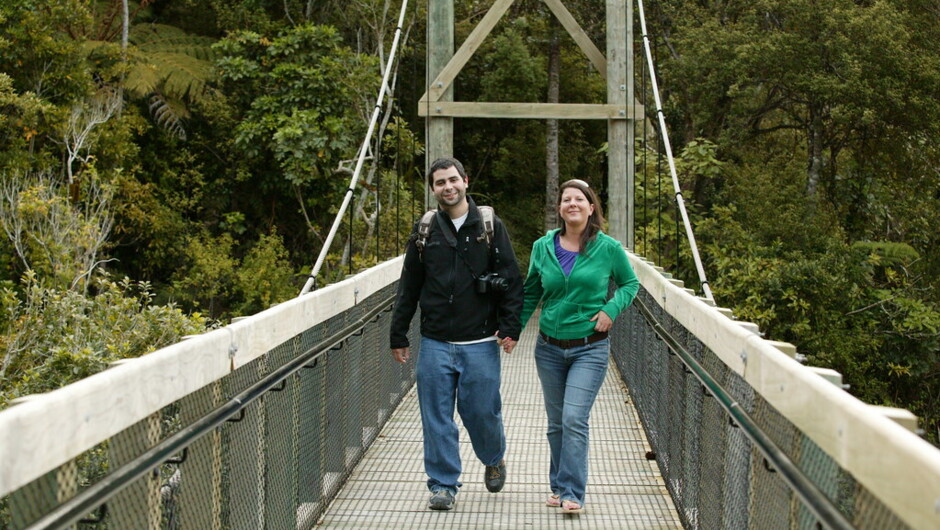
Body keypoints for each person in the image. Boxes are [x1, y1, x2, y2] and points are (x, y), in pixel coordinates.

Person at [390, 157, 523, 511]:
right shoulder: (425, 230)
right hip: (434, 341)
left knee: (482, 413)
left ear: (465, 181)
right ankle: (443, 484)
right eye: (439, 183)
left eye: (453, 180)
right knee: (436, 416)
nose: (447, 187)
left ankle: (494, 457)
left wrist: (511, 327)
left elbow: (510, 280)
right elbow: (409, 285)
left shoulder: (489, 225)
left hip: (480, 341)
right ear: (433, 189)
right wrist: (398, 333)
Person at [519, 178, 639, 514]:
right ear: (560, 209)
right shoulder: (542, 247)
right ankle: (558, 485)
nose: (572, 204)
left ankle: (573, 491)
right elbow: (531, 292)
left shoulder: (608, 248)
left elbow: (630, 284)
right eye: (566, 199)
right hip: (548, 348)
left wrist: (610, 309)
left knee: (574, 418)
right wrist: (512, 330)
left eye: (579, 199)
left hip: (590, 347)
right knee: (557, 422)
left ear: (590, 208)